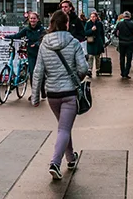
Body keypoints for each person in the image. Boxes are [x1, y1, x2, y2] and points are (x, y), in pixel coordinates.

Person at [31, 10, 89, 182]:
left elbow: (38, 72)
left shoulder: (44, 44)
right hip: (69, 93)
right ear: (66, 24)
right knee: (64, 129)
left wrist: (35, 97)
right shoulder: (74, 42)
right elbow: (83, 68)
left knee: (64, 126)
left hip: (52, 94)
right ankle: (55, 163)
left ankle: (71, 158)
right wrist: (76, 78)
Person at [7, 12, 46, 90]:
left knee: (41, 73)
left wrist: (37, 44)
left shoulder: (42, 29)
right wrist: (6, 36)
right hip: (31, 54)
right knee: (32, 72)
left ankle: (42, 90)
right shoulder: (27, 29)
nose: (32, 20)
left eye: (34, 18)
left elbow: (43, 38)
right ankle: (34, 92)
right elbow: (17, 35)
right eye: (31, 18)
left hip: (40, 54)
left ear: (37, 19)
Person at [113, 11, 133, 79]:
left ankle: (122, 72)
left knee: (122, 57)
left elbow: (115, 33)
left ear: (123, 16)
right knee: (129, 58)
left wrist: (119, 36)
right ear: (130, 16)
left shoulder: (120, 23)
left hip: (121, 42)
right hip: (130, 43)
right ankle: (126, 73)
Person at [83, 11, 106, 78]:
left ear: (96, 17)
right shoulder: (88, 23)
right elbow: (85, 32)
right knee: (90, 56)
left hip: (98, 42)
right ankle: (90, 70)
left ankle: (98, 69)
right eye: (91, 17)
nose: (92, 18)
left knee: (97, 57)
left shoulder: (99, 23)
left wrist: (103, 43)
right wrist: (91, 30)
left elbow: (102, 33)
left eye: (94, 17)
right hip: (91, 42)